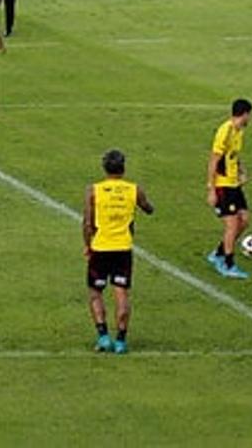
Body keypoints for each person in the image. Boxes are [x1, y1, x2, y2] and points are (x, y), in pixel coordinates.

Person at [84, 148, 155, 354]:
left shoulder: (94, 190)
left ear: (104, 168)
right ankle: (121, 340)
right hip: (123, 248)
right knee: (121, 293)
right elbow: (148, 208)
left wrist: (87, 246)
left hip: (100, 247)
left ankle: (104, 337)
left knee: (95, 292)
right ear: (123, 168)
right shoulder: (133, 189)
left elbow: (88, 223)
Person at [207, 98, 252, 279]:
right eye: (249, 115)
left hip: (234, 184)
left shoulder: (238, 131)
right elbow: (213, 160)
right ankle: (228, 264)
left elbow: (233, 155)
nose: (250, 118)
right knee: (232, 224)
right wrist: (211, 189)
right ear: (244, 114)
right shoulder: (224, 131)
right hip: (223, 186)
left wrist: (241, 170)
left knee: (245, 220)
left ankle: (218, 253)